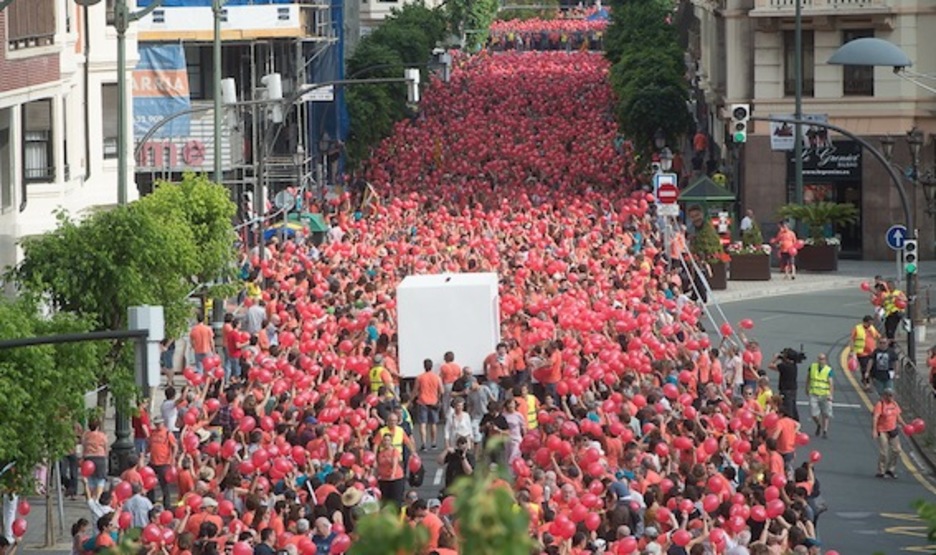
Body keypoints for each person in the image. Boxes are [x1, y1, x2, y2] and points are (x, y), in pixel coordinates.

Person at [872, 388, 908, 479]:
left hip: (893, 430)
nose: (892, 398)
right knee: (884, 451)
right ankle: (881, 470)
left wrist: (904, 425)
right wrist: (874, 430)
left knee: (897, 450)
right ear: (886, 396)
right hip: (882, 430)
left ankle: (891, 469)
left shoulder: (894, 404)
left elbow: (898, 416)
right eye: (891, 396)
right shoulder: (880, 404)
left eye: (893, 396)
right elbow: (875, 417)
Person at [413, 358, 444, 451]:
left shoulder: (420, 377)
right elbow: (442, 391)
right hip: (433, 402)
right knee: (433, 423)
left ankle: (423, 444)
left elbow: (415, 390)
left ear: (424, 366)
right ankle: (433, 443)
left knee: (423, 424)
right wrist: (438, 398)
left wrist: (410, 400)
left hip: (422, 401)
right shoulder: (437, 377)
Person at [805, 353, 833, 439]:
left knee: (826, 414)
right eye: (819, 359)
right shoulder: (812, 367)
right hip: (814, 393)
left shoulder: (828, 370)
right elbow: (808, 377)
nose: (821, 361)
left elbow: (831, 383)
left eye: (823, 359)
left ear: (825, 360)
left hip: (825, 394)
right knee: (814, 414)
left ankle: (825, 431)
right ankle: (819, 424)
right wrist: (807, 387)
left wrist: (830, 395)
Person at [769, 349, 800, 422]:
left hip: (785, 390)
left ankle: (789, 422)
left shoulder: (784, 366)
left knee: (787, 408)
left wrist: (775, 358)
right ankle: (795, 420)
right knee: (792, 406)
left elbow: (770, 366)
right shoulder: (793, 365)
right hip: (793, 389)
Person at [375, 432, 406, 506]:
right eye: (385, 440)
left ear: (391, 441)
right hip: (384, 479)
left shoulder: (394, 451)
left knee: (395, 501)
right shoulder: (381, 453)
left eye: (388, 440)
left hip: (395, 479)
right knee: (385, 501)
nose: (386, 442)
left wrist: (393, 475)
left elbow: (395, 463)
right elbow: (379, 465)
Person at [81, 419, 108, 500]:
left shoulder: (86, 435)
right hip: (100, 457)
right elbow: (105, 446)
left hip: (88, 458)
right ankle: (98, 497)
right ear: (98, 426)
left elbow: (83, 446)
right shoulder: (102, 435)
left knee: (90, 479)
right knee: (100, 479)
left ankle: (90, 497)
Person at [851, 315, 880, 390]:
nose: (870, 325)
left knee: (872, 368)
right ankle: (866, 384)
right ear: (865, 322)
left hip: (871, 351)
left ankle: (867, 379)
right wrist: (852, 351)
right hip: (862, 352)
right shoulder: (857, 328)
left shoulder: (872, 328)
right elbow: (852, 340)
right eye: (869, 323)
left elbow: (877, 336)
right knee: (864, 367)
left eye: (871, 323)